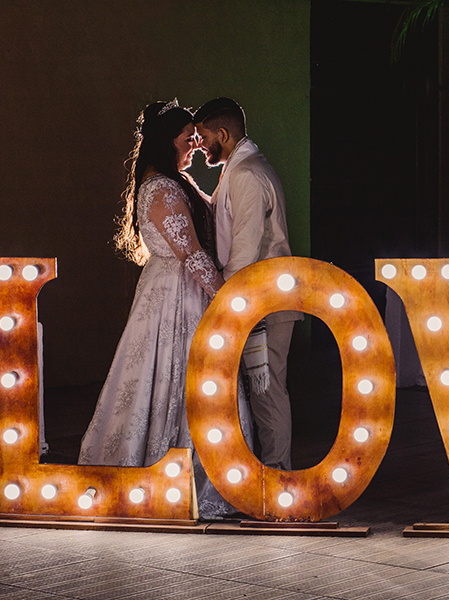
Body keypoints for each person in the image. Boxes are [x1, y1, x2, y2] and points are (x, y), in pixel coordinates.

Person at [79, 100, 252, 518]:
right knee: (177, 373)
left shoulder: (175, 181)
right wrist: (227, 297)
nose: (195, 143)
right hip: (176, 293)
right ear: (168, 140)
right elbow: (190, 254)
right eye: (188, 136)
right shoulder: (161, 188)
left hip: (177, 287)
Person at [193, 97, 300, 470]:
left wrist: (221, 301)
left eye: (203, 137)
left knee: (266, 389)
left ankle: (278, 476)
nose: (200, 145)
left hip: (267, 301)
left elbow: (244, 251)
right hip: (260, 298)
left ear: (223, 134)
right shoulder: (239, 169)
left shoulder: (247, 175)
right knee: (261, 388)